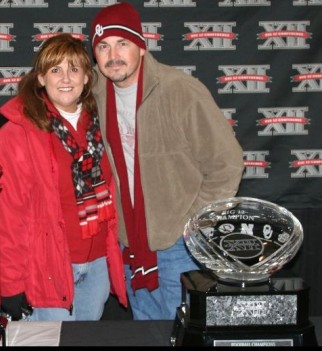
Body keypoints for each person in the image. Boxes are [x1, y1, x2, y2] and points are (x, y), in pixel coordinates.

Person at [90, 2, 245, 320]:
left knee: (182, 332)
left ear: (142, 47)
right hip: (127, 242)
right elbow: (47, 89)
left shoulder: (180, 91)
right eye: (103, 46)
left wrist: (192, 226)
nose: (113, 55)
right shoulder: (93, 91)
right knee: (145, 331)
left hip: (177, 246)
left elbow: (227, 163)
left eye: (123, 43)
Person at [0, 33, 127, 322]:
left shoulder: (101, 125)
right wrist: (11, 284)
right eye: (55, 70)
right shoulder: (18, 133)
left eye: (74, 69)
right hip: (47, 268)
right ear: (41, 78)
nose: (65, 78)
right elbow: (9, 216)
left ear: (87, 78)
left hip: (97, 266)